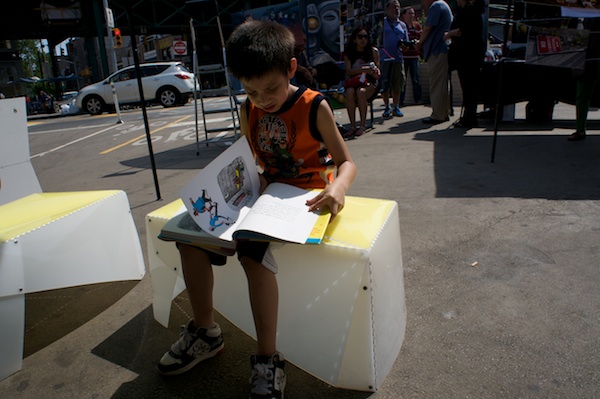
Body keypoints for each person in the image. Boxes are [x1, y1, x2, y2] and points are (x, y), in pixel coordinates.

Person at [157, 20, 357, 399]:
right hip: (263, 191)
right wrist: (232, 188)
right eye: (251, 90)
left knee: (251, 252)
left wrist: (339, 188)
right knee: (189, 238)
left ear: (291, 69)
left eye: (271, 89)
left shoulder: (315, 106)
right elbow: (251, 156)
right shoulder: (248, 107)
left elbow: (348, 163)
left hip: (305, 196)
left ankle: (268, 359)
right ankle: (206, 332)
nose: (263, 99)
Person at [445, 0, 486, 128]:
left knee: (468, 88)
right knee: (470, 89)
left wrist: (448, 34)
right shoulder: (475, 11)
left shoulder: (468, 11)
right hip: (473, 56)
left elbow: (461, 31)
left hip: (466, 56)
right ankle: (470, 116)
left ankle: (469, 118)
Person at [416, 0, 453, 124]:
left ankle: (437, 115)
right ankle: (444, 112)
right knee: (442, 84)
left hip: (437, 51)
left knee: (436, 84)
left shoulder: (436, 6)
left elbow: (427, 28)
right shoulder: (443, 5)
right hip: (442, 50)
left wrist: (419, 43)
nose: (422, 3)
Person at [343, 27, 381, 137]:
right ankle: (352, 126)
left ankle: (362, 126)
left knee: (361, 92)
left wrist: (374, 71)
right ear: (354, 39)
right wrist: (364, 70)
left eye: (365, 37)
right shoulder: (349, 52)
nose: (363, 39)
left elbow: (378, 70)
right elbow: (348, 70)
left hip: (370, 83)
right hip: (353, 82)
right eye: (360, 37)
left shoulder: (373, 51)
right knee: (350, 92)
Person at [380, 0, 409, 118]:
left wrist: (404, 45)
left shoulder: (402, 25)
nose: (396, 10)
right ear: (387, 9)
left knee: (397, 83)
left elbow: (406, 44)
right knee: (384, 83)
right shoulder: (383, 23)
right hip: (384, 58)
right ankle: (387, 106)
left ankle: (396, 106)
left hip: (398, 58)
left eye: (398, 7)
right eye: (393, 7)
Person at [569, 60, 600, 141]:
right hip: (586, 60)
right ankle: (580, 130)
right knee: (582, 97)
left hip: (586, 60)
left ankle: (580, 130)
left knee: (582, 98)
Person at [400, 7, 423, 105]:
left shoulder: (417, 26)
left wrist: (417, 44)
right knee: (402, 80)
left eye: (413, 13)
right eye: (409, 13)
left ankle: (418, 99)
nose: (412, 16)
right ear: (404, 15)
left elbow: (421, 38)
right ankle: (400, 101)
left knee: (415, 79)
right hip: (404, 56)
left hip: (414, 56)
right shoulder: (401, 26)